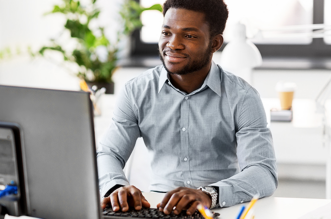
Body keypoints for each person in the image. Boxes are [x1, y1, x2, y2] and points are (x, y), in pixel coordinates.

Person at [97, 0, 277, 216]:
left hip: (219, 209)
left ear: (215, 43)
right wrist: (116, 187)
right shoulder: (136, 91)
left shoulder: (243, 97)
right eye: (166, 33)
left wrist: (209, 194)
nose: (173, 44)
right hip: (156, 208)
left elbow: (263, 172)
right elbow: (108, 153)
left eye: (189, 36)